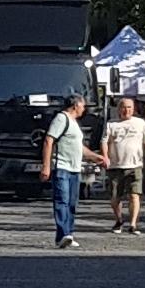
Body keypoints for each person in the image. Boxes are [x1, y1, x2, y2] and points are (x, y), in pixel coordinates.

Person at [39, 94, 98, 248]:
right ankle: (64, 233)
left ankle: (67, 234)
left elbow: (79, 147)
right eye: (83, 106)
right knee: (62, 201)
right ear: (75, 105)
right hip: (62, 167)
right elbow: (49, 140)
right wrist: (46, 165)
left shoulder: (74, 123)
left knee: (72, 203)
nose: (84, 109)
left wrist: (95, 157)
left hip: (75, 168)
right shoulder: (61, 119)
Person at [102, 96, 145, 233]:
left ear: (134, 109)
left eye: (129, 107)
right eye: (124, 107)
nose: (127, 110)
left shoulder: (140, 123)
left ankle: (133, 224)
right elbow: (104, 142)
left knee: (134, 195)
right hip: (116, 166)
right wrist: (105, 157)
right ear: (119, 109)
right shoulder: (111, 124)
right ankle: (119, 220)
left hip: (135, 165)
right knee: (115, 197)